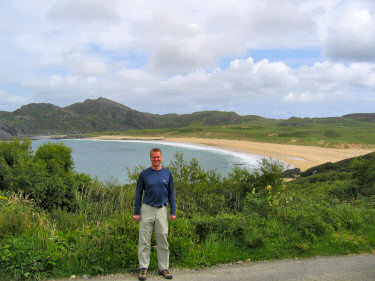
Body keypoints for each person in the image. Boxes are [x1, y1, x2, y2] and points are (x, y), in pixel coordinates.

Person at [133, 148, 176, 280]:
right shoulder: (144, 174)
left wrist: (173, 211)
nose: (156, 159)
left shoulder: (167, 174)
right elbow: (138, 193)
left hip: (162, 210)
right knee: (144, 239)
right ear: (150, 158)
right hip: (147, 209)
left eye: (158, 157)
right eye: (153, 157)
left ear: (161, 158)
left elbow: (171, 194)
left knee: (162, 238)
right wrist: (136, 212)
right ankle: (143, 268)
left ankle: (163, 268)